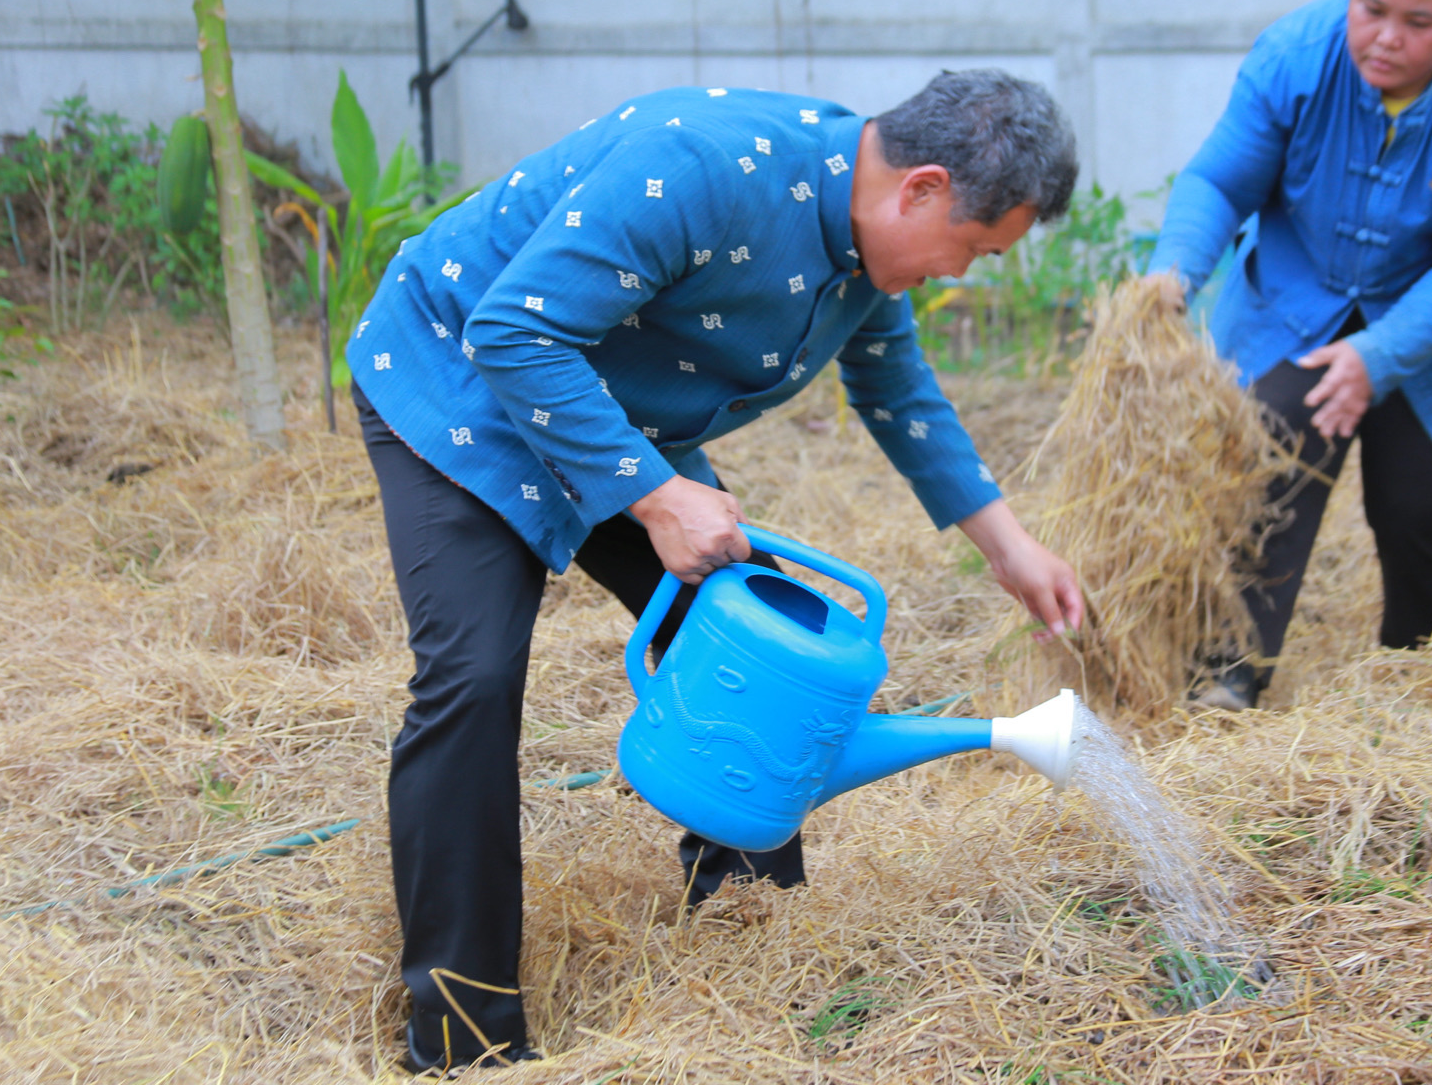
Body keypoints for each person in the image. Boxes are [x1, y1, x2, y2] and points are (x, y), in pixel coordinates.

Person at [346, 69, 1087, 1073]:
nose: (958, 274)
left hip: (609, 408)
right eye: (973, 250)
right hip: (462, 382)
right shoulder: (705, 167)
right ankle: (463, 1031)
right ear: (922, 189)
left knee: (758, 629)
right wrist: (656, 495)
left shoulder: (866, 247)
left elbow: (896, 386)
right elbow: (513, 328)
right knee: (470, 679)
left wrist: (1011, 547)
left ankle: (747, 918)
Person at [1147, 0, 1432, 712]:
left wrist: (1379, 355)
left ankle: (1431, 683)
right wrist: (1173, 272)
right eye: (1371, 10)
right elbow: (1219, 180)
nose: (1386, 38)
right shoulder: (1295, 56)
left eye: (1419, 21)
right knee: (1264, 461)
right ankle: (1223, 674)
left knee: (1424, 505)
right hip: (1301, 300)